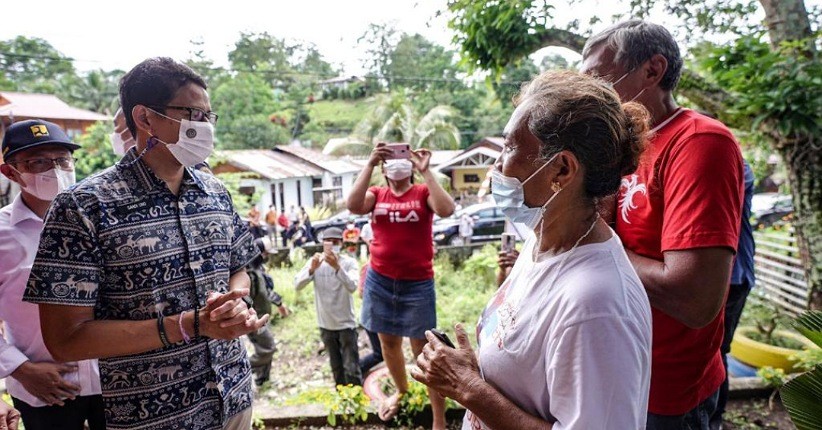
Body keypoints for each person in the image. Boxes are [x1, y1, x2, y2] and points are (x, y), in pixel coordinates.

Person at [23, 57, 269, 430]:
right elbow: (65, 340)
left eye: (208, 116)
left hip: (232, 397)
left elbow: (238, 268)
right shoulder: (83, 207)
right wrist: (189, 325)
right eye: (192, 114)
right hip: (154, 415)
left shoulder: (215, 192)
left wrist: (235, 302)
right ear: (145, 118)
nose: (204, 126)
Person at [411, 70, 652, 429]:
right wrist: (475, 373)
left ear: (562, 170)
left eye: (510, 147)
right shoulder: (542, 242)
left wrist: (468, 388)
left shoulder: (596, 306)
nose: (496, 165)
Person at [581, 20, 744, 429]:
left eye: (599, 79)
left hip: (666, 389)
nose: (590, 95)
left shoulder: (699, 141)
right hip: (615, 370)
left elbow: (694, 298)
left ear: (652, 70)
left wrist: (597, 243)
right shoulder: (623, 146)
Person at [0, 120, 105, 430]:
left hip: (114, 381)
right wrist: (20, 369)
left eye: (62, 160)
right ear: (10, 172)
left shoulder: (103, 220)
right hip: (44, 388)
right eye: (39, 162)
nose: (55, 170)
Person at [347, 146, 455, 428]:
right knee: (388, 344)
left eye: (402, 157)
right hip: (381, 280)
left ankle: (439, 418)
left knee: (424, 350)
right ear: (384, 169)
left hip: (417, 283)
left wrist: (426, 171)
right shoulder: (377, 194)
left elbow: (446, 209)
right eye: (390, 159)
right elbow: (353, 205)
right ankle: (402, 391)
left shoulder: (422, 192)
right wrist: (370, 163)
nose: (397, 164)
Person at [711, 160, 756, 430]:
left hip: (733, 277)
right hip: (726, 275)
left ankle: (715, 418)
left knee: (717, 350)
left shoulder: (737, 167)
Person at [294, 228, 361, 387]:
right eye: (328, 242)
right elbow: (297, 285)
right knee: (336, 367)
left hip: (346, 324)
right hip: (326, 324)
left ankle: (357, 398)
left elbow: (352, 286)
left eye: (335, 242)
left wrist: (337, 267)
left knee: (351, 367)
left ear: (341, 244)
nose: (332, 245)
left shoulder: (349, 262)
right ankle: (341, 397)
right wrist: (311, 269)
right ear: (323, 244)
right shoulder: (316, 262)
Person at [246, 239, 290, 387]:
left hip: (263, 316)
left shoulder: (258, 269)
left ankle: (262, 379)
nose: (267, 257)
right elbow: (255, 295)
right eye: (265, 254)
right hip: (255, 319)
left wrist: (279, 303)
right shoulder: (250, 273)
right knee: (269, 348)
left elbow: (266, 291)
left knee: (264, 348)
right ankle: (242, 368)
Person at [355, 221, 383, 376]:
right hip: (372, 315)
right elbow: (361, 293)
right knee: (380, 353)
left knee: (386, 351)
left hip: (381, 316)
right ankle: (356, 370)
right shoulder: (367, 268)